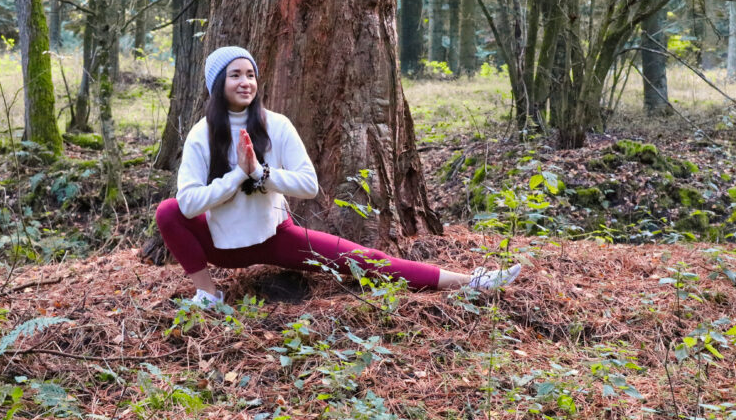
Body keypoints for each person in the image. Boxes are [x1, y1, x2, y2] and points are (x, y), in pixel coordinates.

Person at [155, 46, 521, 306]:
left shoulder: (276, 125)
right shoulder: (202, 133)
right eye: (234, 75)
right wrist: (238, 175)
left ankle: (470, 282)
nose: (245, 82)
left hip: (272, 236)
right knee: (167, 211)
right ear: (217, 85)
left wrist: (263, 173)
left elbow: (309, 185)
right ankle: (209, 295)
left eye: (250, 74)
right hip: (222, 244)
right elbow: (187, 203)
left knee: (368, 259)